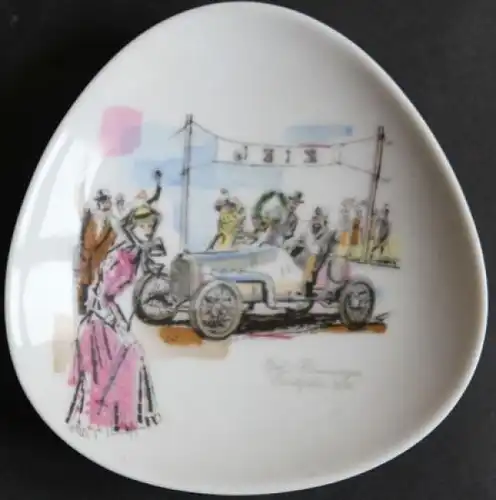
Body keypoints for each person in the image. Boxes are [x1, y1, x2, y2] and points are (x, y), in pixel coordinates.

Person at [66, 204, 162, 433]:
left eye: (151, 226)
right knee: (130, 357)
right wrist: (118, 327)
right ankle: (106, 421)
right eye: (142, 226)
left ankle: (120, 419)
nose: (148, 230)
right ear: (132, 227)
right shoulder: (122, 256)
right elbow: (99, 295)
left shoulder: (135, 253)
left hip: (112, 316)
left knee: (132, 358)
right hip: (101, 320)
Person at [77, 189, 117, 315]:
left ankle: (96, 309)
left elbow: (113, 239)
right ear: (99, 202)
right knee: (85, 283)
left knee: (99, 284)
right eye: (103, 201)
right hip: (87, 256)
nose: (106, 203)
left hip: (101, 258)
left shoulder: (111, 220)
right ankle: (83, 308)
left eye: (107, 200)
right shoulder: (91, 217)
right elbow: (83, 236)